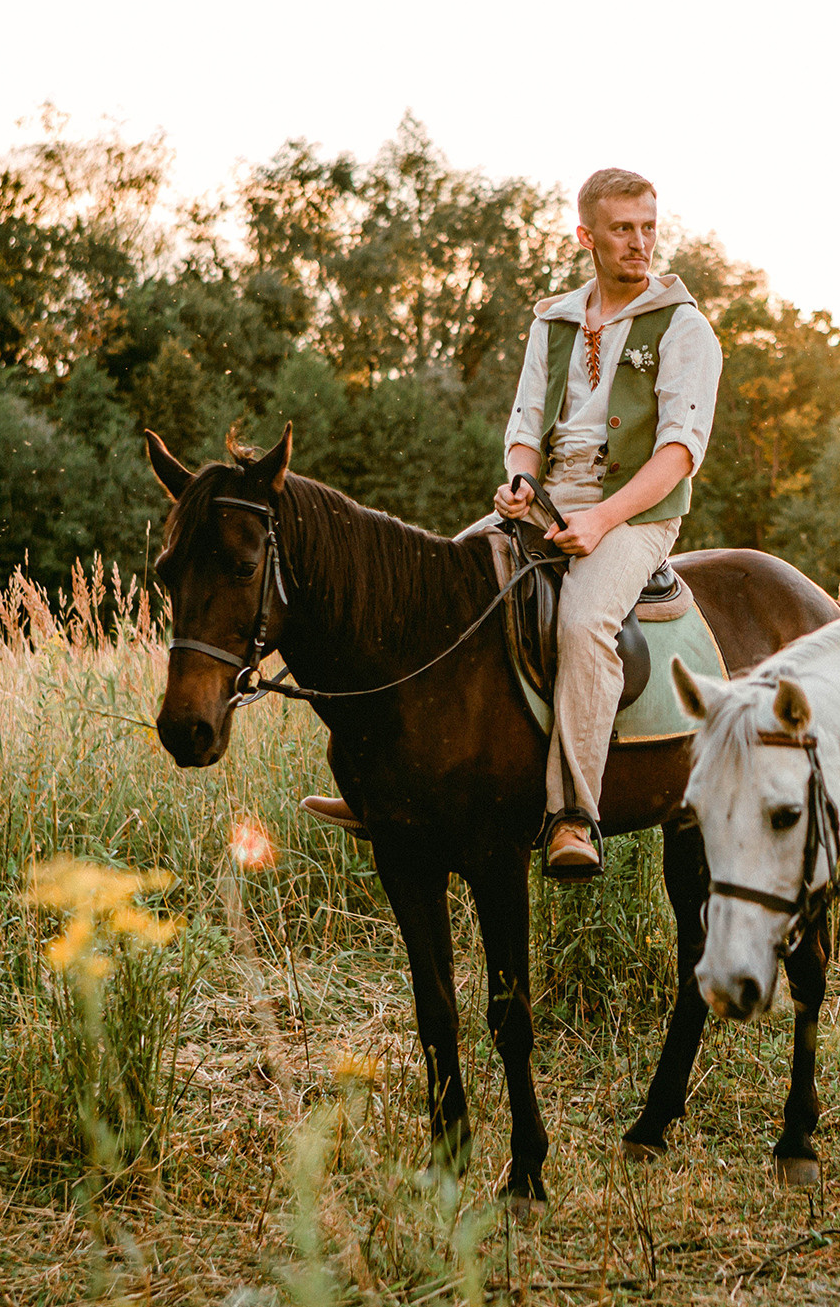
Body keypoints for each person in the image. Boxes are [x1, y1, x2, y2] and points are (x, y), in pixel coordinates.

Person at [305, 168, 723, 872]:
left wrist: (602, 522)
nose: (640, 242)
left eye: (649, 226)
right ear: (586, 235)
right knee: (437, 591)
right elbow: (527, 426)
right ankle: (384, 786)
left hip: (638, 513)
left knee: (586, 621)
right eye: (623, 228)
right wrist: (522, 483)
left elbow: (679, 453)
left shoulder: (685, 327)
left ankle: (572, 814)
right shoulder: (554, 321)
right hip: (550, 501)